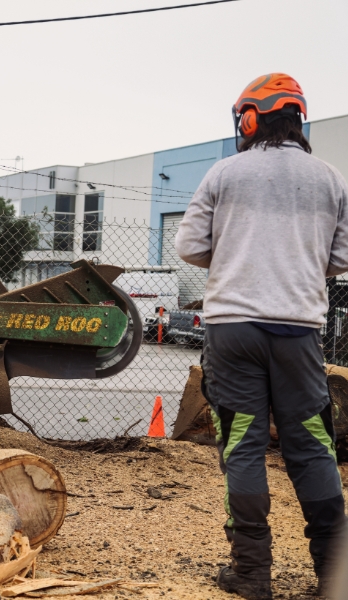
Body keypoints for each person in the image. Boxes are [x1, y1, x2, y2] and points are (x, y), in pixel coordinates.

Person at [175, 73, 348, 600]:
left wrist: (236, 258)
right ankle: (335, 576)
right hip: (297, 333)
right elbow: (341, 258)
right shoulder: (330, 178)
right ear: (298, 119)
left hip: (233, 332)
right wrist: (296, 265)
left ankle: (251, 573)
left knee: (243, 446)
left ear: (249, 119)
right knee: (314, 448)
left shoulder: (224, 173)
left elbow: (187, 246)